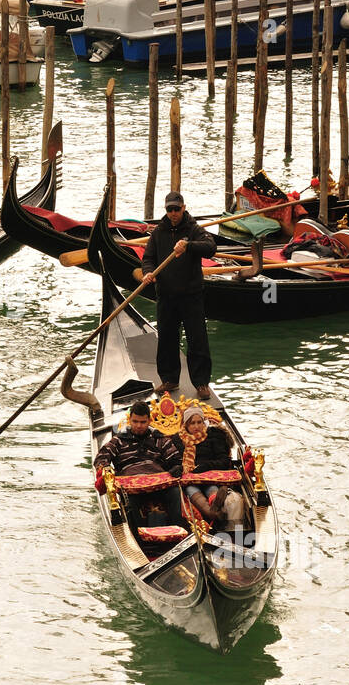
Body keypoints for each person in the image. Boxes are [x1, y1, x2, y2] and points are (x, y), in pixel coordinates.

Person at [140, 190, 217, 400]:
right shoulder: (158, 232)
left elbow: (211, 247)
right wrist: (148, 272)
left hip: (191, 296)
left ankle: (201, 383)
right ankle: (169, 379)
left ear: (183, 208)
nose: (173, 213)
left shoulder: (193, 229)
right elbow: (148, 259)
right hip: (166, 296)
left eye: (177, 209)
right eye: (169, 209)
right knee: (166, 340)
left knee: (197, 340)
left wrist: (188, 246)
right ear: (166, 211)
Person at [94, 400, 187, 530]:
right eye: (135, 421)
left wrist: (176, 468)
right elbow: (100, 459)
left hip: (158, 483)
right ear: (130, 420)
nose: (138, 426)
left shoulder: (158, 439)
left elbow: (176, 459)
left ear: (149, 421)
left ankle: (178, 529)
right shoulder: (118, 441)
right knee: (129, 502)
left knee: (175, 492)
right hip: (132, 486)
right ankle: (137, 535)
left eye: (143, 422)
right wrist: (106, 468)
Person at [179, 406, 243, 528]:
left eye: (199, 422)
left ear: (204, 422)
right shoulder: (179, 439)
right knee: (191, 489)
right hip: (190, 479)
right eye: (192, 423)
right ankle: (212, 512)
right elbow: (175, 459)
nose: (196, 426)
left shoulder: (214, 436)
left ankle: (215, 503)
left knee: (211, 487)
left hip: (210, 476)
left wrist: (205, 466)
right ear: (186, 425)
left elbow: (224, 461)